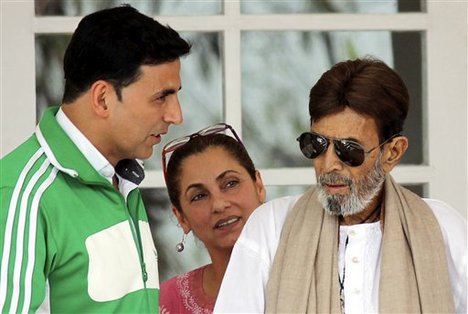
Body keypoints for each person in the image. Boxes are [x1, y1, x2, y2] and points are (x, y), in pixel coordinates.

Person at [214, 58, 467, 314]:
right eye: (317, 144)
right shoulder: (271, 227)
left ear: (392, 153)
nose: (329, 164)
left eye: (349, 150)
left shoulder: (441, 227)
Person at [0, 5, 190, 313]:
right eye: (161, 97)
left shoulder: (122, 179)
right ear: (102, 98)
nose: (176, 115)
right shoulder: (22, 194)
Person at [159, 123, 266, 313]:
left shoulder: (312, 277)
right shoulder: (168, 302)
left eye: (231, 183)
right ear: (181, 218)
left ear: (259, 186)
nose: (219, 204)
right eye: (199, 196)